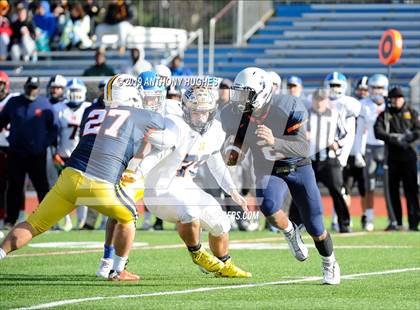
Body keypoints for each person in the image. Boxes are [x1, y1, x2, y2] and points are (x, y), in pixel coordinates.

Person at [0, 74, 165, 282]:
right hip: (100, 183)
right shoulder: (137, 113)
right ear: (132, 96)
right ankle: (117, 270)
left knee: (33, 225)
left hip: (69, 178)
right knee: (128, 216)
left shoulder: (93, 111)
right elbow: (161, 122)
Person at [220, 67, 340, 285]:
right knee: (267, 205)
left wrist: (276, 141)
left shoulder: (288, 107)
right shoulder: (236, 114)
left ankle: (329, 261)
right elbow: (241, 145)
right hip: (268, 168)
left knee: (316, 227)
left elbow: (304, 147)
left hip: (298, 167)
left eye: (247, 94)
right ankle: (290, 231)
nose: (241, 100)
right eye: (239, 93)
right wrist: (233, 153)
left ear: (263, 93)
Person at [142, 85, 250, 278]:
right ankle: (198, 253)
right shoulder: (174, 125)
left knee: (221, 222)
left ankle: (225, 264)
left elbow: (216, 163)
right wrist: (136, 176)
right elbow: (153, 154)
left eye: (204, 112)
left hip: (185, 185)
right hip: (159, 190)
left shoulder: (215, 130)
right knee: (190, 210)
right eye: (195, 112)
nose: (200, 117)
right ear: (185, 109)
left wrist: (232, 191)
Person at [0, 77, 59, 228]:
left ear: (38, 89)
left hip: (36, 154)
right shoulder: (14, 103)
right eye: (29, 87)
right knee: (14, 187)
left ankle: (47, 219)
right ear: (25, 86)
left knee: (42, 187)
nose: (31, 90)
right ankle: (10, 219)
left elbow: (54, 128)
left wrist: (44, 144)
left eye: (34, 87)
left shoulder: (45, 104)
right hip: (16, 153)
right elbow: (1, 121)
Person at [374, 87, 419, 231]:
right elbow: (378, 131)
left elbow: (418, 129)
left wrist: (409, 137)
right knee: (392, 191)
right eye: (393, 98)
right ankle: (395, 221)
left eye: (399, 98)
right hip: (392, 158)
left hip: (409, 157)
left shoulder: (411, 113)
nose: (396, 100)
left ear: (403, 99)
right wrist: (392, 138)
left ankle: (414, 223)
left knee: (411, 191)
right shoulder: (385, 115)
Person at [305, 88, 350, 232]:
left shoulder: (335, 114)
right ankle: (298, 222)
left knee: (337, 190)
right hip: (309, 161)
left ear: (327, 101)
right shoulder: (305, 114)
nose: (319, 102)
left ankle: (344, 223)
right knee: (303, 191)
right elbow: (292, 132)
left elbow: (344, 133)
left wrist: (337, 143)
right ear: (312, 100)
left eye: (322, 99)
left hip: (329, 160)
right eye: (317, 99)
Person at [323, 72, 361, 231]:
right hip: (323, 152)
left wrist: (343, 150)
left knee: (341, 188)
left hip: (342, 151)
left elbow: (350, 131)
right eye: (332, 85)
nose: (334, 88)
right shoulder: (322, 102)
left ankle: (339, 219)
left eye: (338, 85)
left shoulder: (349, 103)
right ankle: (335, 220)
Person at [53, 78, 91, 231]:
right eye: (72, 91)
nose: (75, 94)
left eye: (77, 91)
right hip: (62, 155)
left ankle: (81, 222)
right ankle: (66, 221)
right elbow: (53, 134)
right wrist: (54, 152)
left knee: (82, 191)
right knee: (63, 191)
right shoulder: (57, 108)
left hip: (82, 155)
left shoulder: (88, 108)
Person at [357, 74, 389, 231]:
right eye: (374, 88)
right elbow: (359, 130)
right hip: (369, 147)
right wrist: (358, 151)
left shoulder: (390, 105)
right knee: (369, 185)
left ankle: (392, 218)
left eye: (380, 88)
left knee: (390, 185)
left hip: (387, 147)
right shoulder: (363, 104)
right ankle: (369, 218)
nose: (376, 91)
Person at [343, 76, 370, 229]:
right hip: (348, 154)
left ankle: (366, 216)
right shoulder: (349, 106)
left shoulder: (370, 108)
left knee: (364, 189)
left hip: (363, 153)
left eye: (365, 90)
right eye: (361, 89)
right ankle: (346, 217)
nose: (363, 92)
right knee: (345, 189)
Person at [0, 71, 19, 229]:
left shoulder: (14, 100)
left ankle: (18, 214)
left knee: (15, 184)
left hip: (12, 148)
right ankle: (2, 217)